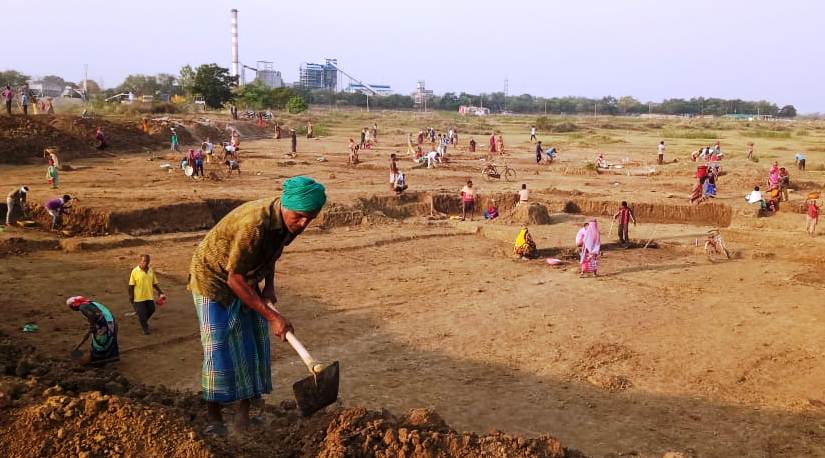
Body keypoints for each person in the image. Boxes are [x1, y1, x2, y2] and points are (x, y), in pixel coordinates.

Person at [189, 176, 326, 434]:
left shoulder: (290, 224)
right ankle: (214, 418)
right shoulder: (254, 224)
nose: (304, 223)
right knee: (217, 346)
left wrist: (269, 287)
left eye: (311, 218)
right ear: (286, 206)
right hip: (213, 279)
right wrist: (273, 317)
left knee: (251, 345)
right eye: (299, 216)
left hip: (247, 276)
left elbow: (272, 252)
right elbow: (233, 278)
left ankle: (243, 416)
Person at [67, 296, 119, 365]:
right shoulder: (89, 303)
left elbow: (91, 315)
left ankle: (99, 360)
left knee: (100, 342)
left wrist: (92, 326)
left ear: (73, 305)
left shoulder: (82, 307)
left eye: (71, 307)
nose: (72, 310)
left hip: (104, 324)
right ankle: (111, 357)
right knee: (108, 340)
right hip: (109, 320)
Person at [128, 254, 165, 335]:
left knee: (152, 309)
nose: (146, 263)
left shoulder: (150, 270)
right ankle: (145, 328)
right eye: (144, 261)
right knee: (142, 313)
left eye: (147, 261)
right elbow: (131, 285)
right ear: (140, 261)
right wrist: (131, 297)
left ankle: (143, 320)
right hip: (138, 298)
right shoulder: (135, 271)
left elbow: (154, 283)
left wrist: (160, 292)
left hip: (149, 296)